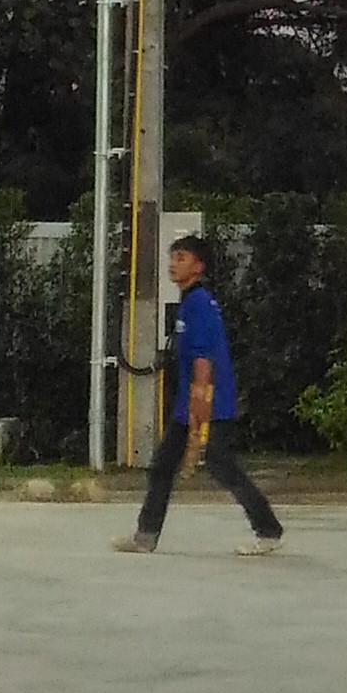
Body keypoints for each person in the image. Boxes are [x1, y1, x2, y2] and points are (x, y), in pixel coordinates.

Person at [117, 235, 283, 552]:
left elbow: (204, 359)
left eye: (181, 258)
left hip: (209, 403)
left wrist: (200, 404)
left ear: (198, 266)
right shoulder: (188, 303)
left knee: (221, 465)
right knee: (162, 467)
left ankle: (268, 531)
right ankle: (145, 537)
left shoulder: (200, 304)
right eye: (172, 257)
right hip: (188, 404)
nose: (172, 264)